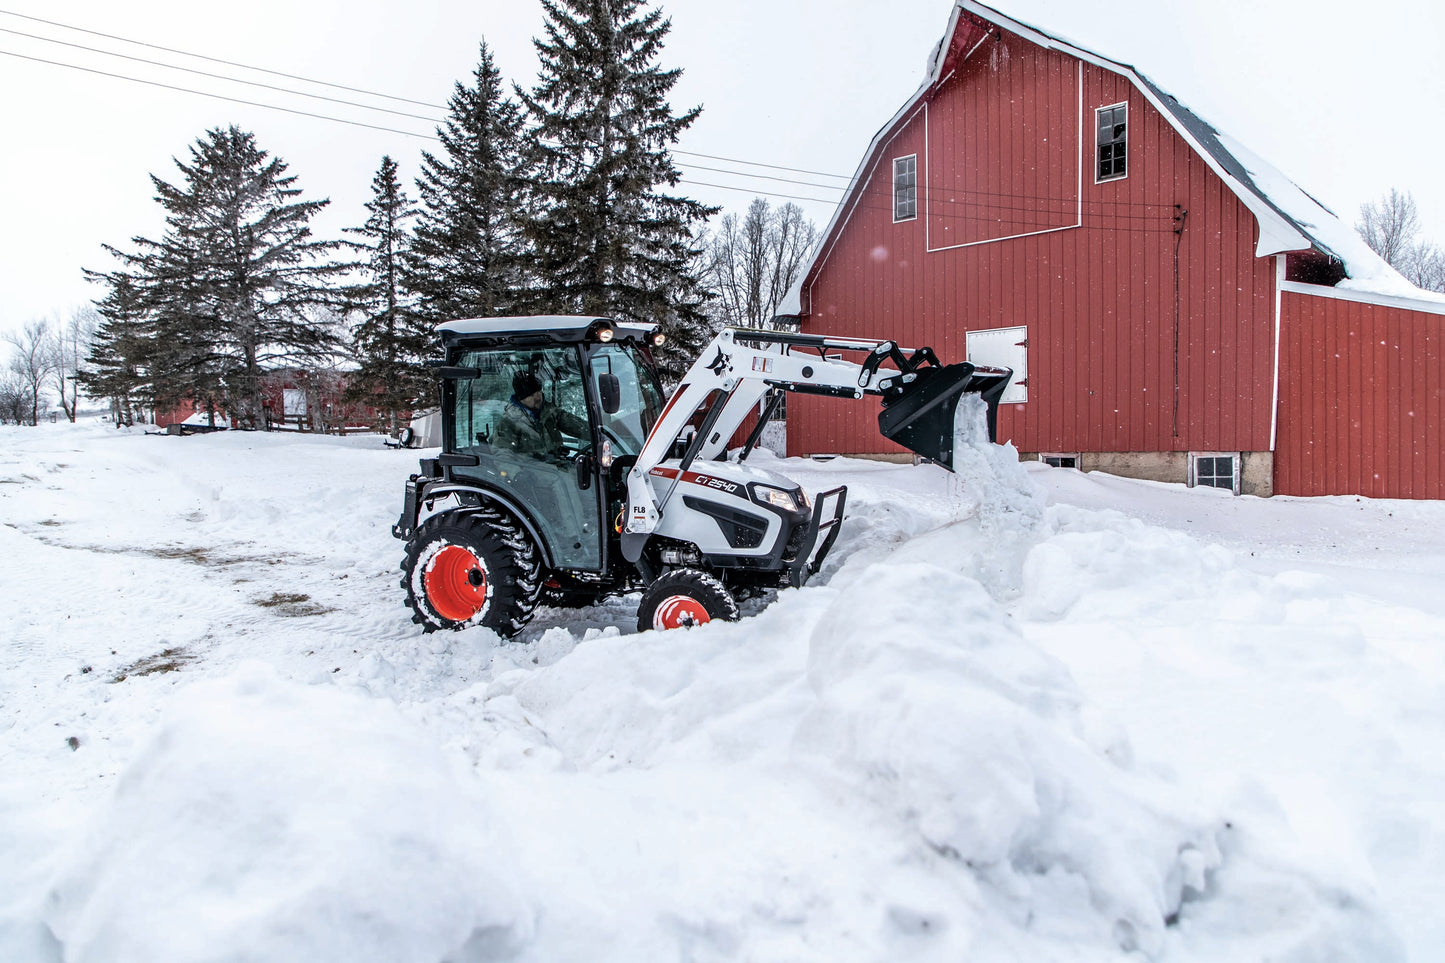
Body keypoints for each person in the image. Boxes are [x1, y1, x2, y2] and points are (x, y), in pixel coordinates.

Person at [495, 371, 589, 459]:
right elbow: (503, 456)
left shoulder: (549, 412)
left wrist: (594, 432)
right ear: (521, 399)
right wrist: (517, 471)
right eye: (531, 395)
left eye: (538, 392)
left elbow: (576, 426)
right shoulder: (509, 422)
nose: (537, 397)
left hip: (557, 463)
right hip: (531, 468)